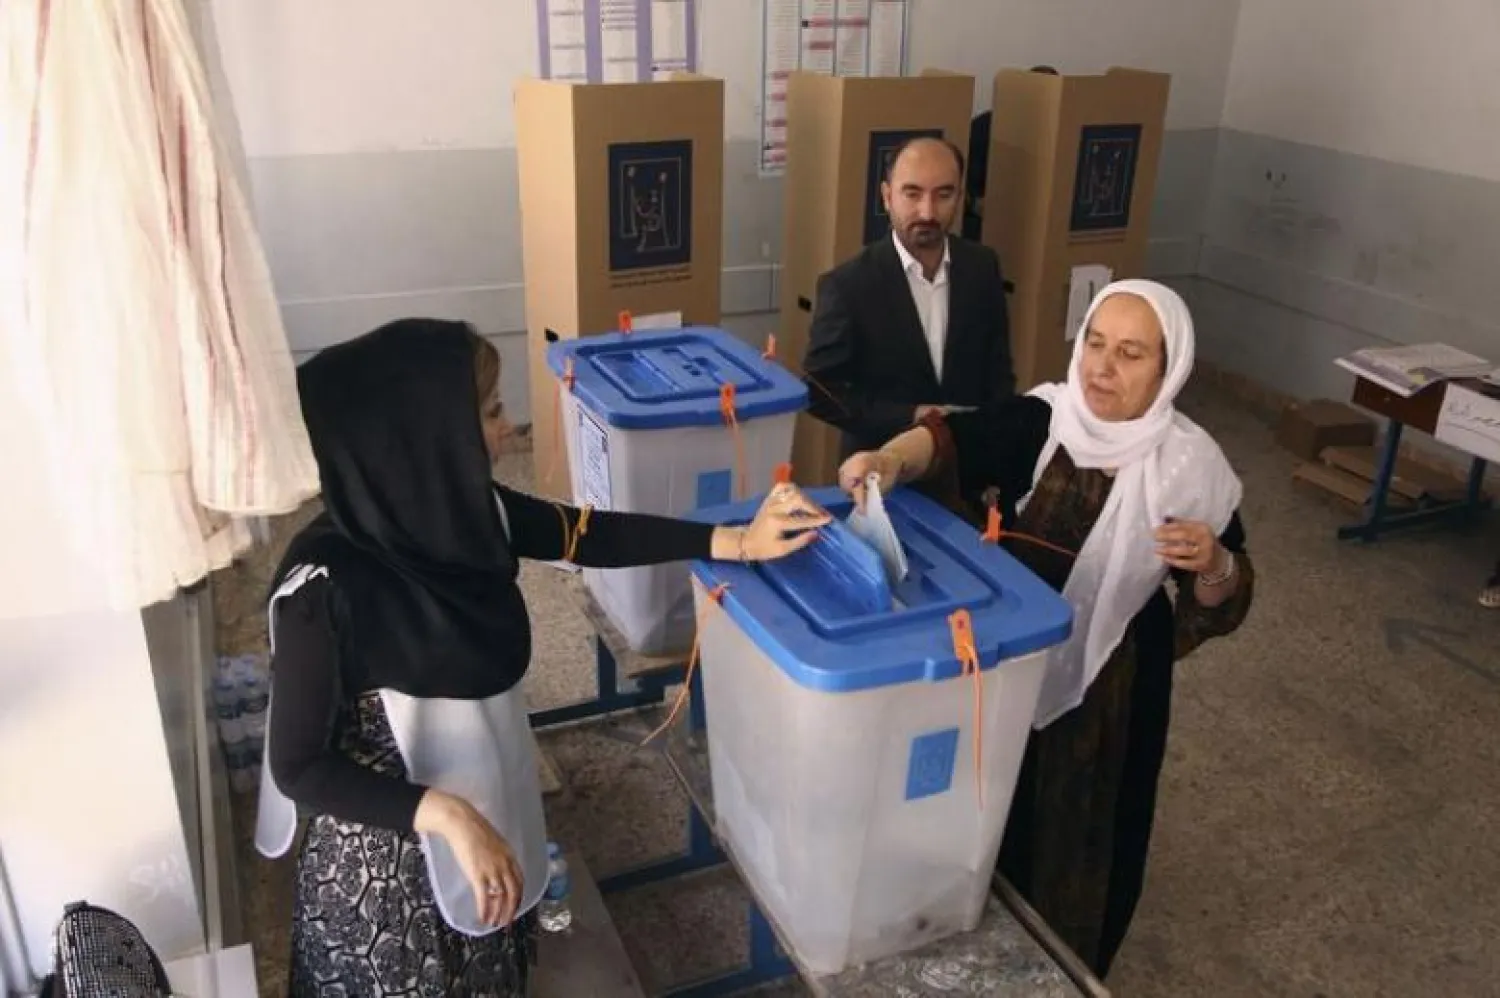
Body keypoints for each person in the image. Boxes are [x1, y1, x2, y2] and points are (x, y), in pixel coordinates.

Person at [253, 318, 830, 997]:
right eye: (492, 411)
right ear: (422, 436)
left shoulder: (466, 516)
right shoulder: (320, 594)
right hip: (385, 880)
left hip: (474, 821)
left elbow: (586, 532)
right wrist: (444, 813)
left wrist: (734, 540)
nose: (509, 428)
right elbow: (298, 766)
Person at [838, 279, 1255, 978]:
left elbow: (1227, 593)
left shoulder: (1192, 467)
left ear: (1169, 368)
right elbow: (949, 439)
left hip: (1111, 687)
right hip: (1005, 657)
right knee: (975, 808)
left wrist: (1214, 564)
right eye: (1094, 343)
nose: (1101, 367)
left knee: (1082, 841)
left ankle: (1063, 971)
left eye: (1130, 354)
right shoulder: (1048, 418)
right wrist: (889, 459)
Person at [802, 136, 1016, 467]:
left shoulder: (982, 266)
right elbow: (820, 391)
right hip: (880, 469)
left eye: (943, 194)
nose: (927, 212)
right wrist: (910, 415)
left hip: (967, 467)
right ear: (887, 196)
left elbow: (998, 371)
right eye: (912, 194)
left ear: (960, 197)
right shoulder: (848, 286)